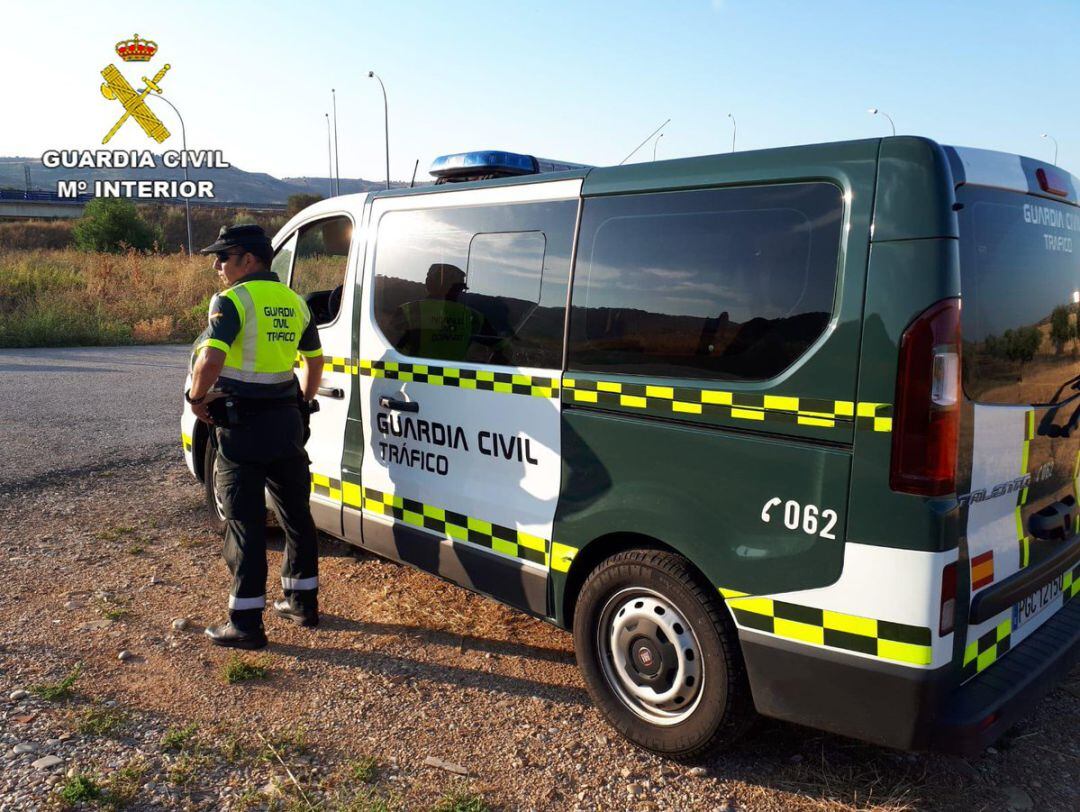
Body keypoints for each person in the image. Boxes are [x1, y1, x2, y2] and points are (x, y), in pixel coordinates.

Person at [186, 224, 325, 649]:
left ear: (249, 259)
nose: (217, 266)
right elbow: (315, 361)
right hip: (286, 421)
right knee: (296, 514)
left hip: (242, 425)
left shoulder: (231, 300)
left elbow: (211, 357)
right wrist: (302, 402)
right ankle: (302, 602)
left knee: (245, 523)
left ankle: (245, 624)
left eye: (223, 257)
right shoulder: (295, 301)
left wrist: (195, 397)